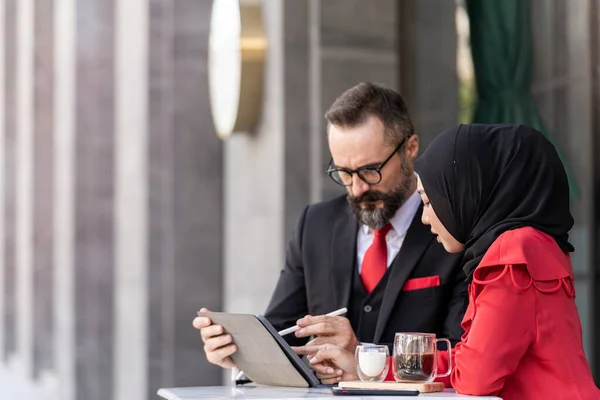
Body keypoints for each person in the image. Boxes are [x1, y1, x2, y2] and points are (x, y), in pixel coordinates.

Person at [294, 124, 600, 399]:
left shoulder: (512, 253)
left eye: (428, 201)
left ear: (465, 192)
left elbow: (475, 376)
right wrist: (369, 368)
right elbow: (469, 358)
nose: (425, 218)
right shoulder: (531, 245)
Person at [193, 83, 467, 382]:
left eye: (370, 170)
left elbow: (461, 353)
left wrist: (363, 354)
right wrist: (240, 349)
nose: (358, 188)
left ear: (410, 148)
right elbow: (281, 330)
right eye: (344, 173)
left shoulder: (455, 226)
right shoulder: (316, 224)